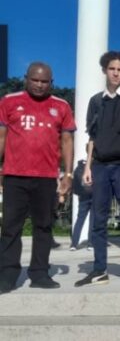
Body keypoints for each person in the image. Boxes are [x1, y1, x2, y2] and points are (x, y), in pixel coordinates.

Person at [0, 62, 75, 293]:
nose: (40, 85)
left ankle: (40, 273)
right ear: (26, 78)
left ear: (51, 83)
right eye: (35, 80)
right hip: (14, 175)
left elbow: (67, 141)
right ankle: (8, 274)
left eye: (45, 81)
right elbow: (1, 137)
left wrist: (68, 173)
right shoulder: (9, 101)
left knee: (44, 226)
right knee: (11, 227)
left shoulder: (61, 106)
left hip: (45, 177)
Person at [73, 51, 120, 289]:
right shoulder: (96, 101)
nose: (115, 73)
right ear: (105, 70)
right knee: (98, 220)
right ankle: (99, 269)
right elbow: (91, 135)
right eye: (112, 68)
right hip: (101, 167)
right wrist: (88, 166)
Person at [70, 153, 93, 251]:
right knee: (93, 220)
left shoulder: (80, 165)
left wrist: (78, 193)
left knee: (80, 219)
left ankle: (74, 244)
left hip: (83, 196)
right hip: (94, 195)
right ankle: (90, 244)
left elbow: (75, 182)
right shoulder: (95, 164)